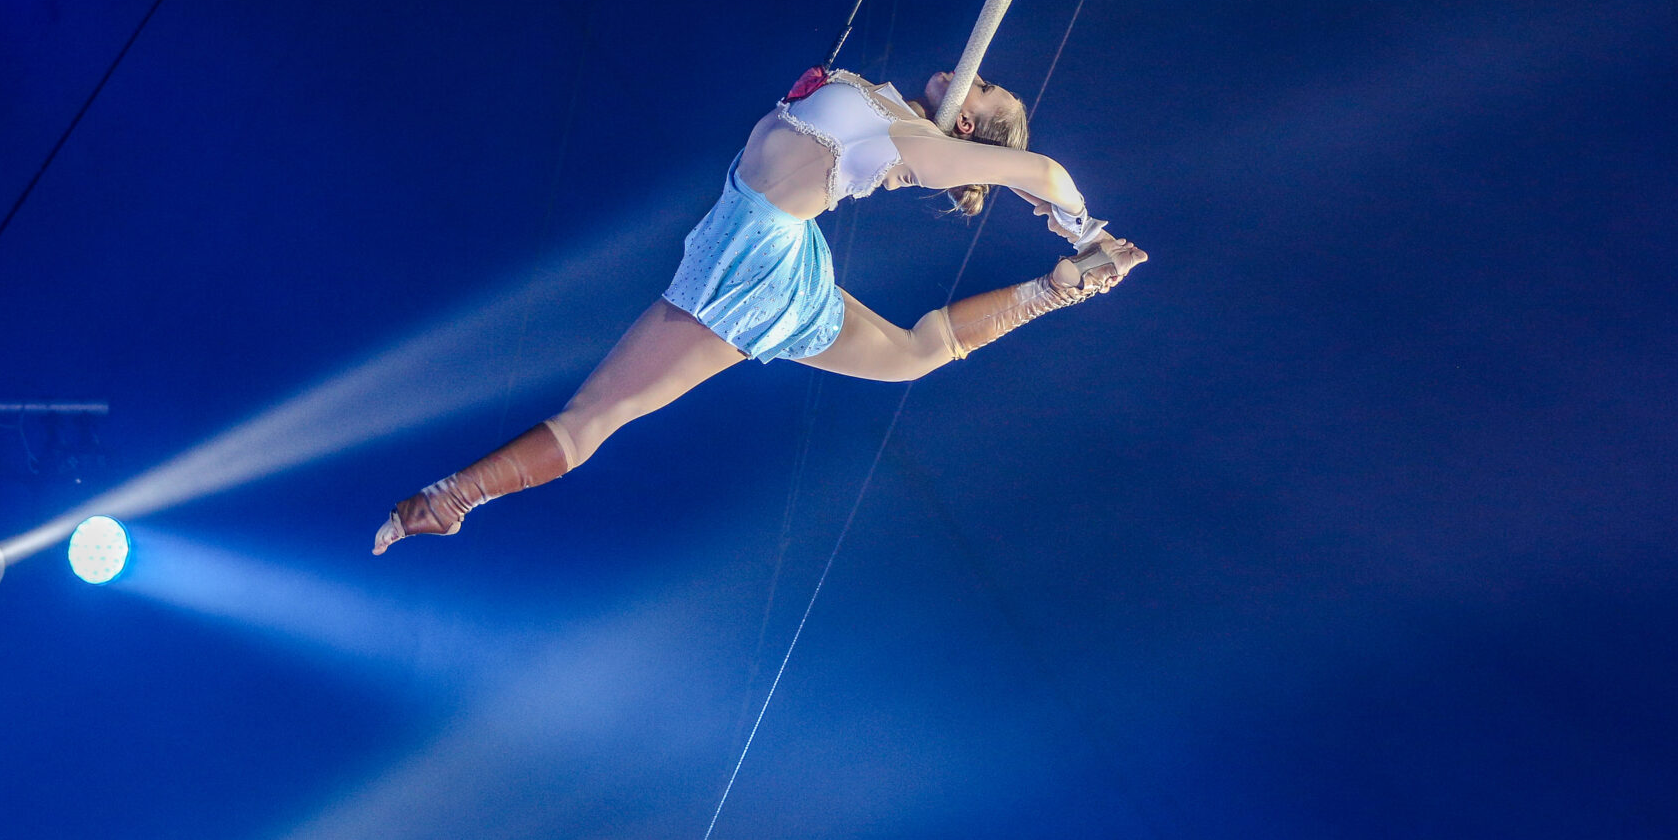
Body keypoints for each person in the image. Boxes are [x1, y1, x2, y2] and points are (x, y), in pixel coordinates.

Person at [372, 65, 1146, 552]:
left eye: (985, 87)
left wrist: (1079, 221)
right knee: (591, 416)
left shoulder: (916, 147)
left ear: (971, 125)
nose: (973, 73)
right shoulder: (888, 108)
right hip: (750, 239)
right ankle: (444, 501)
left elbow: (1042, 169)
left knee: (911, 356)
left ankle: (1064, 283)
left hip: (759, 259)